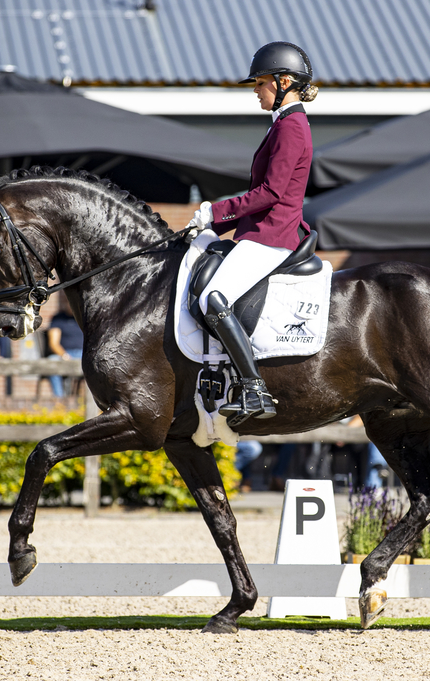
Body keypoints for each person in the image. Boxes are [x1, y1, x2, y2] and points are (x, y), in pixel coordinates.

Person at [188, 42, 318, 426]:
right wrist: (213, 225)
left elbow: (271, 194)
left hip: (272, 236)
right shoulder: (283, 124)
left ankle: (253, 387)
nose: (255, 91)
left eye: (260, 83)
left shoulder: (292, 127)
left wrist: (216, 211)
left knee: (214, 297)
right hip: (261, 230)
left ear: (285, 82)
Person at [46, 293, 84, 397]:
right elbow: (53, 343)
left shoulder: (83, 318)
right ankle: (60, 399)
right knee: (51, 362)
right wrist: (64, 355)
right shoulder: (58, 319)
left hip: (83, 354)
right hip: (64, 354)